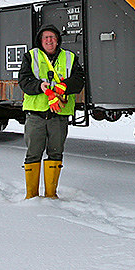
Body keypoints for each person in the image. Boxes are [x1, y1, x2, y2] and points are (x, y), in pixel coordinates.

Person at [17, 24, 86, 199]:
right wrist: (40, 86)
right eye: (46, 37)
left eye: (53, 37)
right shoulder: (31, 56)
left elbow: (79, 80)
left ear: (58, 40)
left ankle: (51, 194)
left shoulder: (70, 57)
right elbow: (24, 81)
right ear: (40, 41)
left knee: (55, 153)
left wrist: (64, 86)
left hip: (59, 115)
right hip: (36, 114)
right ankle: (31, 195)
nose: (49, 40)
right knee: (33, 153)